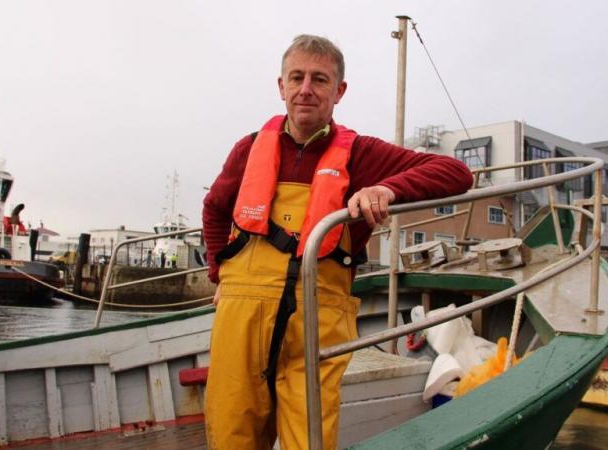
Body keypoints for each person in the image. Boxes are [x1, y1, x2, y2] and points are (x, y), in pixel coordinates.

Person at [202, 34, 472, 449]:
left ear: (339, 90)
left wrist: (389, 189)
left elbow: (454, 172)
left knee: (309, 439)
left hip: (314, 324)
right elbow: (215, 210)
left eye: (319, 79)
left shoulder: (361, 153)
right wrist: (219, 276)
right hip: (240, 318)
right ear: (281, 87)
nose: (305, 89)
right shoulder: (249, 148)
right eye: (297, 78)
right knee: (229, 433)